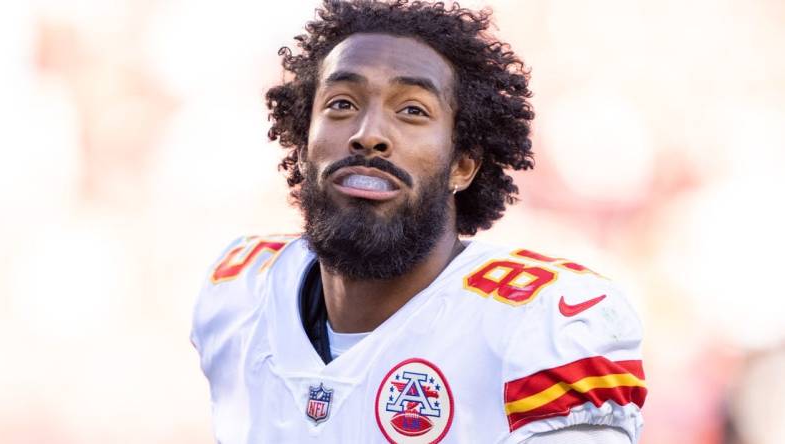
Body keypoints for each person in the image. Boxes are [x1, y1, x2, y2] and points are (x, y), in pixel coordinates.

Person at [191, 1, 646, 442]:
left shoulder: (542, 325)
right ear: (301, 138)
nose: (367, 134)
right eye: (341, 103)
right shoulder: (240, 292)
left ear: (463, 164)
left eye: (412, 110)